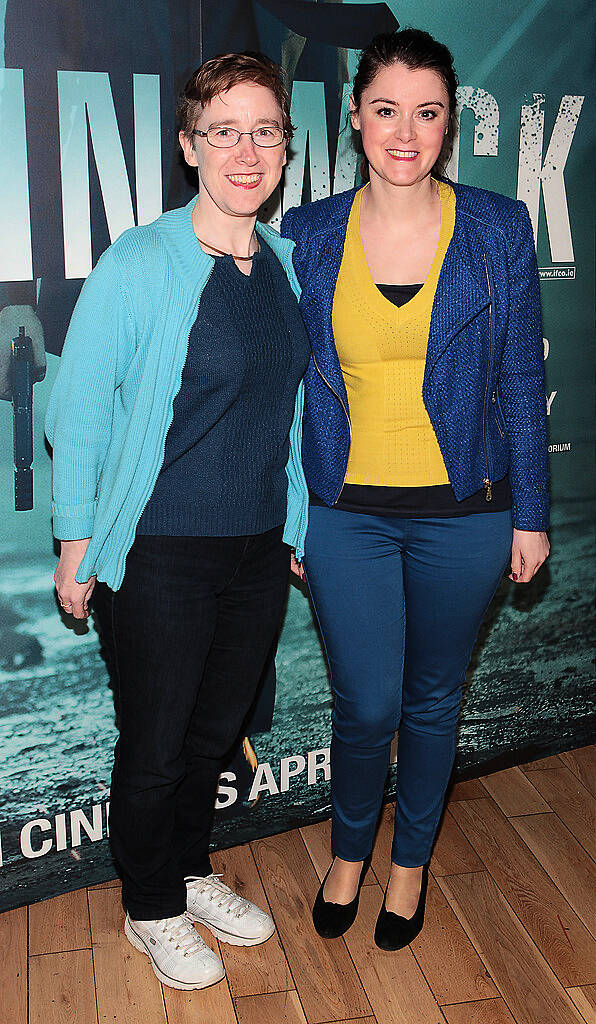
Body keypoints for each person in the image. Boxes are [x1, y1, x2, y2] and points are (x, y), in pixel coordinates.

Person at [45, 51, 310, 991]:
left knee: (212, 732)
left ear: (288, 145)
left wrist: (297, 534)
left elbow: (289, 417)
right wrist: (78, 546)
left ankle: (191, 871)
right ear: (189, 145)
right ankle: (150, 906)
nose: (248, 150)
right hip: (157, 551)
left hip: (254, 550)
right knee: (156, 741)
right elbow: (76, 409)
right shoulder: (142, 261)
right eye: (224, 131)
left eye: (265, 130)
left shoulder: (283, 263)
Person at [281, 28, 550, 950]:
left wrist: (532, 516)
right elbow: (284, 389)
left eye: (427, 112)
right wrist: (288, 513)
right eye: (386, 110)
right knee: (365, 703)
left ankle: (409, 866)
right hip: (343, 513)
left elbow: (519, 378)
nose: (406, 132)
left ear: (449, 124)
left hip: (465, 515)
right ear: (356, 118)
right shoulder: (306, 234)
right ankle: (350, 851)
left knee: (436, 700)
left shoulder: (497, 226)